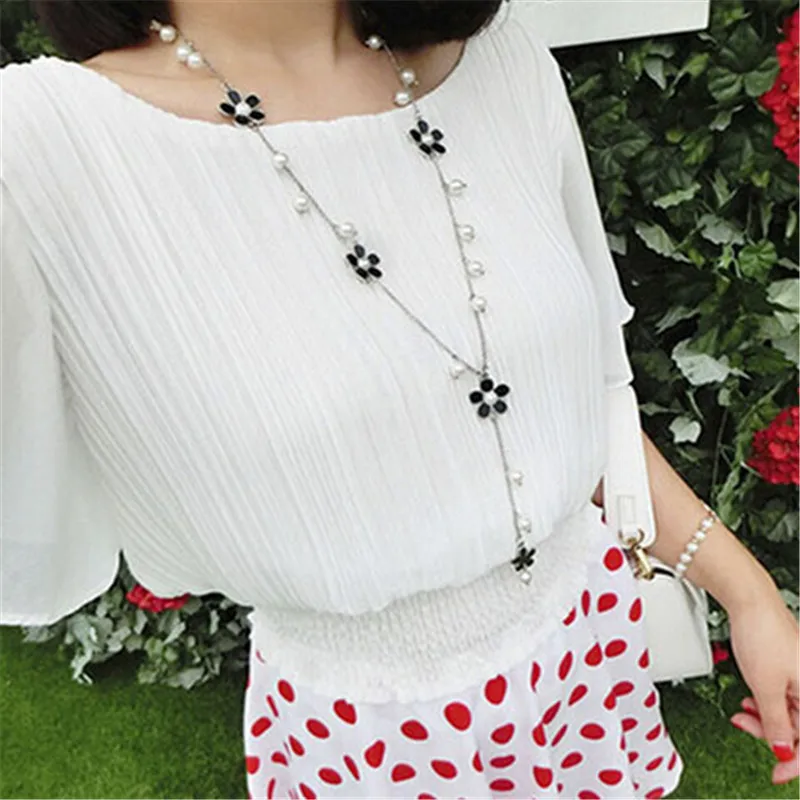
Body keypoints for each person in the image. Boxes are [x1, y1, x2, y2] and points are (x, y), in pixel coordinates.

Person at [1, 1, 797, 797]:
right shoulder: (39, 154)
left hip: (587, 664)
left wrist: (747, 592)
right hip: (369, 743)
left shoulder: (499, 61)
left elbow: (579, 400)